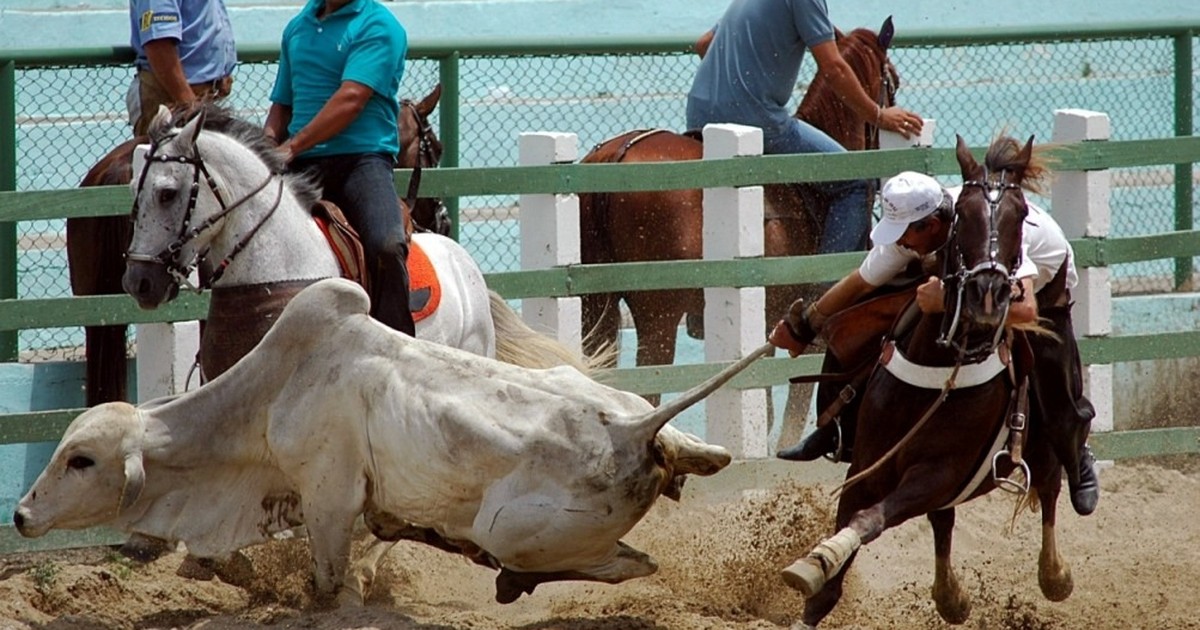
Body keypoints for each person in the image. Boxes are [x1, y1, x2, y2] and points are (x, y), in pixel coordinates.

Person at [769, 170, 1101, 517]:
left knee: (1053, 377)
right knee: (870, 314)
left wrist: (944, 302)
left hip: (1041, 286)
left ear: (931, 225)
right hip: (964, 278)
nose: (900, 242)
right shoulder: (916, 233)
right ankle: (836, 424)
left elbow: (1025, 308)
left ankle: (1077, 457)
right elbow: (861, 282)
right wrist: (806, 326)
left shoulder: (985, 231)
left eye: (904, 234)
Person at [685, 0, 925, 253]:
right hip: (756, 118)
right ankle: (829, 284)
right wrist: (879, 115)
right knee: (857, 182)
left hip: (699, 112)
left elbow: (704, 43)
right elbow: (833, 68)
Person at [263, 0, 416, 336]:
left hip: (361, 161)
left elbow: (351, 99)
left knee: (386, 245)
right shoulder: (298, 27)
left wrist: (292, 146)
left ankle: (396, 343)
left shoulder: (379, 25)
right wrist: (263, 148)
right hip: (300, 162)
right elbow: (282, 105)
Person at [127, 0, 237, 136]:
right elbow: (159, 44)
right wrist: (189, 104)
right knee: (166, 154)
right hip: (170, 97)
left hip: (198, 99)